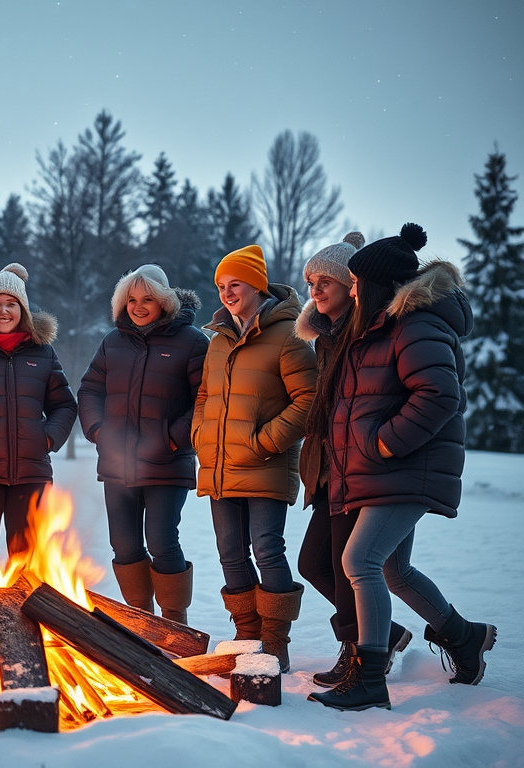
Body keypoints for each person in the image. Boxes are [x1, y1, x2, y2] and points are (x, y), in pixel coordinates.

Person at [308, 224, 496, 711]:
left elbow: (439, 395)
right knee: (394, 570)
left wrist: (385, 445)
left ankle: (371, 678)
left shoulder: (417, 324)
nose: (349, 290)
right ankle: (464, 637)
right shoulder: (380, 325)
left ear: (372, 284)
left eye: (354, 283)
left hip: (406, 467)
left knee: (359, 561)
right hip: (386, 470)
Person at [296, 232, 413, 688]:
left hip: (362, 466)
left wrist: (381, 444)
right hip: (330, 466)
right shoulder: (325, 337)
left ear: (353, 284)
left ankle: (362, 652)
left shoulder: (365, 331)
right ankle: (381, 635)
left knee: (353, 567)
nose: (315, 290)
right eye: (310, 282)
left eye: (325, 280)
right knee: (315, 564)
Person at [192, 245, 317, 671]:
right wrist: (201, 435)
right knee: (229, 552)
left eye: (235, 284)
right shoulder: (219, 339)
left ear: (257, 285)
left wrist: (263, 442)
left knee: (266, 549)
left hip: (266, 465)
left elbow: (308, 401)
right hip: (220, 465)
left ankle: (275, 642)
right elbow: (204, 396)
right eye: (221, 286)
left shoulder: (289, 333)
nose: (227, 293)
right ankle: (247, 636)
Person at [78, 265, 208, 624]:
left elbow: (205, 400)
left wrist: (170, 438)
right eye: (131, 299)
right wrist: (99, 431)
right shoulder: (113, 342)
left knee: (162, 541)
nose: (138, 306)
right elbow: (90, 389)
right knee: (124, 546)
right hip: (118, 464)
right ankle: (142, 621)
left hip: (167, 462)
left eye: (147, 298)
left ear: (164, 300)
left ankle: (173, 621)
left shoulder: (193, 342)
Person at [0, 264, 77, 589]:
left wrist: (47, 439)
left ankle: (25, 626)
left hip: (32, 470)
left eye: (11, 304)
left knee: (27, 553)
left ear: (22, 309)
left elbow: (64, 405)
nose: (3, 311)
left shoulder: (42, 353)